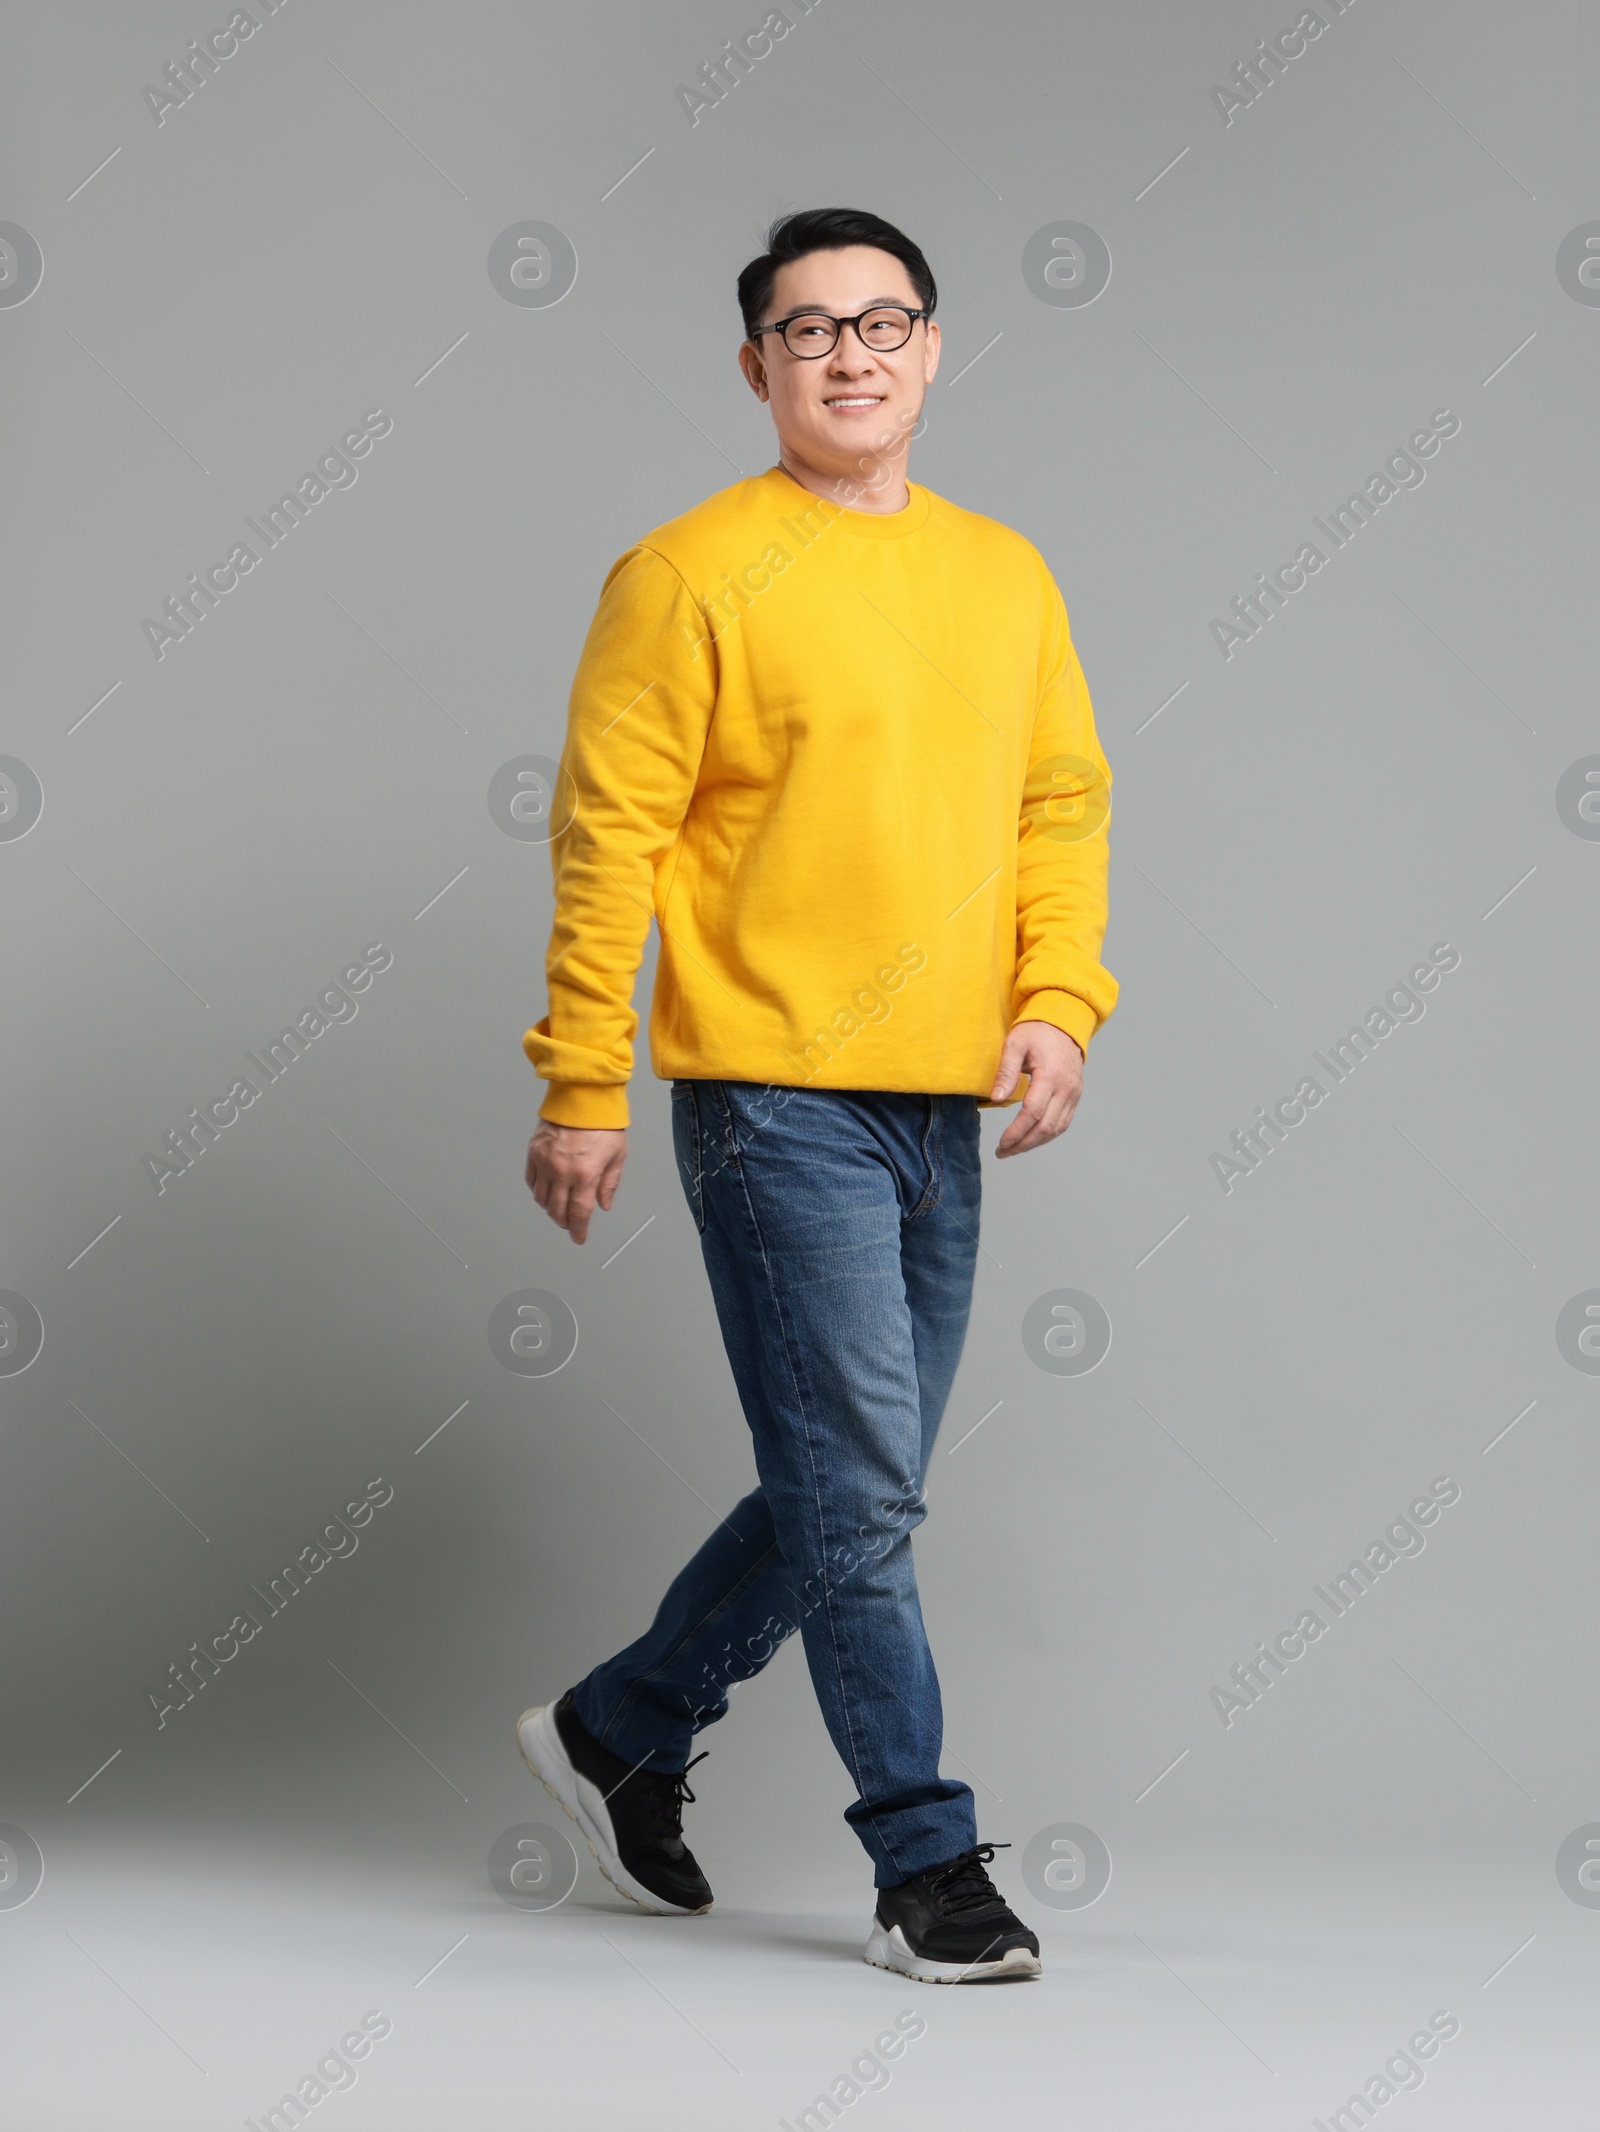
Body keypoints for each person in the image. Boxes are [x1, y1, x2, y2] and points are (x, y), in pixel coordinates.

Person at [516, 207, 1117, 1983]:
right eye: (808, 329)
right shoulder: (688, 572)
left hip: (941, 1106)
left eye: (884, 321)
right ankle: (925, 1863)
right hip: (772, 1097)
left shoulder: (1005, 574)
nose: (850, 353)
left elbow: (1058, 808)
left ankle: (622, 1725)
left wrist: (1061, 1000)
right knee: (859, 1491)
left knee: (859, 1487)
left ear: (935, 347)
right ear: (756, 366)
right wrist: (582, 1081)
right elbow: (605, 838)